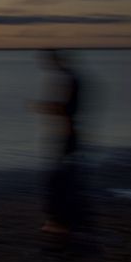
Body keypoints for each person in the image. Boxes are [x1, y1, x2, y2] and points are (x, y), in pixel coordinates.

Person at [35, 49, 88, 234]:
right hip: (66, 135)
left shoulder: (70, 79)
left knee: (59, 180)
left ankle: (59, 222)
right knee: (64, 178)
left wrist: (44, 106)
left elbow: (67, 109)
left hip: (67, 135)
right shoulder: (70, 78)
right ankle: (62, 220)